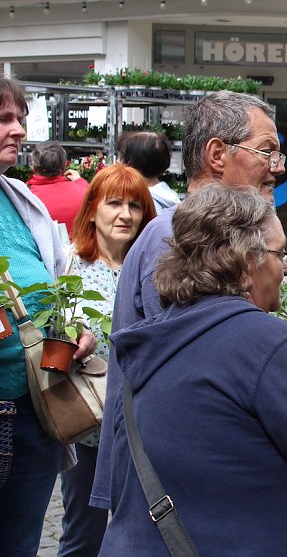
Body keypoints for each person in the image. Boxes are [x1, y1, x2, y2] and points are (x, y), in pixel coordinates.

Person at [99, 184, 287, 555]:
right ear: (244, 265)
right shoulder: (268, 345)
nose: (285, 267)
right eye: (279, 253)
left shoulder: (148, 343)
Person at [90, 90, 286, 513]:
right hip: (167, 488)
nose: (278, 167)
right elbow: (192, 382)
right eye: (267, 151)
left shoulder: (195, 235)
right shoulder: (177, 240)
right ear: (218, 154)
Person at [0, 76, 96, 557]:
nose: (18, 130)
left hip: (37, 404)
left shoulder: (22, 201)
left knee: (21, 543)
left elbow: (61, 276)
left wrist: (78, 325)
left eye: (18, 118)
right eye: (4, 119)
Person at [57, 164, 156, 557]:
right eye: (114, 203)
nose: (125, 215)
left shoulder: (153, 268)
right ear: (93, 208)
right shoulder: (69, 265)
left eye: (135, 205)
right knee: (83, 534)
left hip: (142, 424)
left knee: (140, 533)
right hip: (87, 424)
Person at [26, 140, 89, 240]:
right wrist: (80, 182)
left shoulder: (24, 195)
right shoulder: (84, 192)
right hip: (78, 253)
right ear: (64, 165)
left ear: (33, 167)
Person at [116, 130, 181, 214]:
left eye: (122, 157)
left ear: (135, 162)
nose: (118, 161)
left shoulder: (146, 203)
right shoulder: (168, 197)